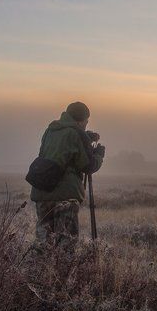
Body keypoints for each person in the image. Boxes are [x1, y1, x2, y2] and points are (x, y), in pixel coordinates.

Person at [30, 101, 105, 248]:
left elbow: (61, 147)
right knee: (66, 244)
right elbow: (88, 165)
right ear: (80, 120)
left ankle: (40, 270)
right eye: (86, 122)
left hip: (42, 194)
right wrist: (99, 156)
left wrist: (86, 137)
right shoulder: (76, 133)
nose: (86, 125)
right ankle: (62, 271)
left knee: (44, 244)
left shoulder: (51, 130)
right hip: (65, 197)